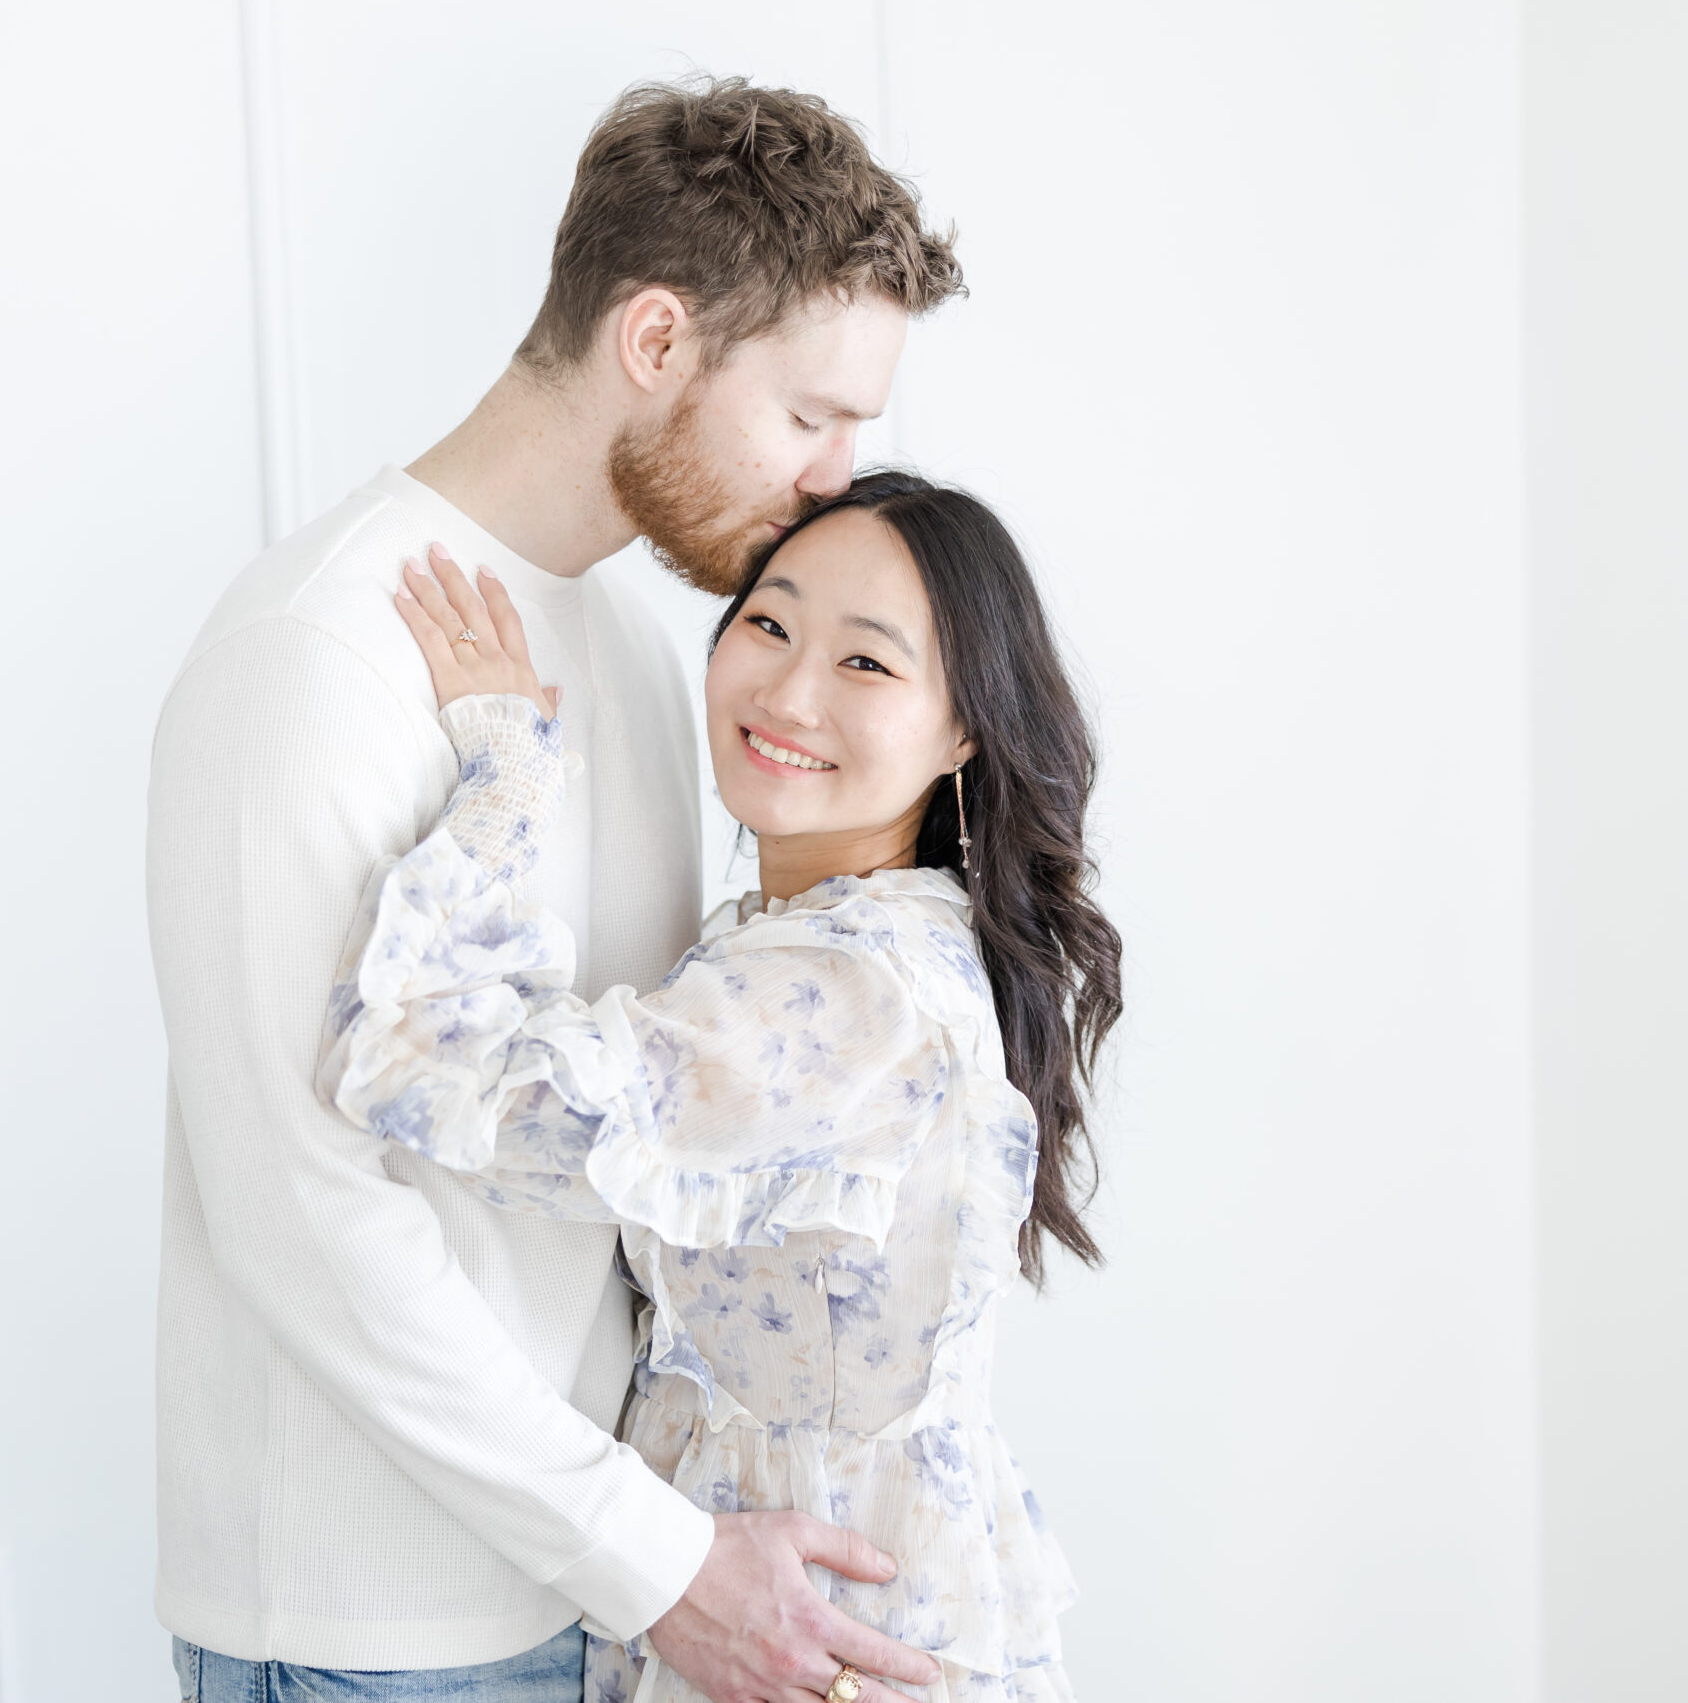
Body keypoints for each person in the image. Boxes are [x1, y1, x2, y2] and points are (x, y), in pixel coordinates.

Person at [147, 79, 961, 1702]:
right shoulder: (317, 652)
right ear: (656, 343)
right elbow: (303, 1212)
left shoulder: (650, 657)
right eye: (811, 416)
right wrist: (659, 1565)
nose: (835, 479)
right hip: (378, 1636)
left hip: (595, 1592)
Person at [319, 471, 1118, 1703]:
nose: (790, 692)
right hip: (807, 1610)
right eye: (769, 623)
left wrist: (508, 783)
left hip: (814, 1635)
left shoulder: (846, 992)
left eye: (867, 664)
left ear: (964, 730)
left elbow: (419, 1066)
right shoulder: (846, 939)